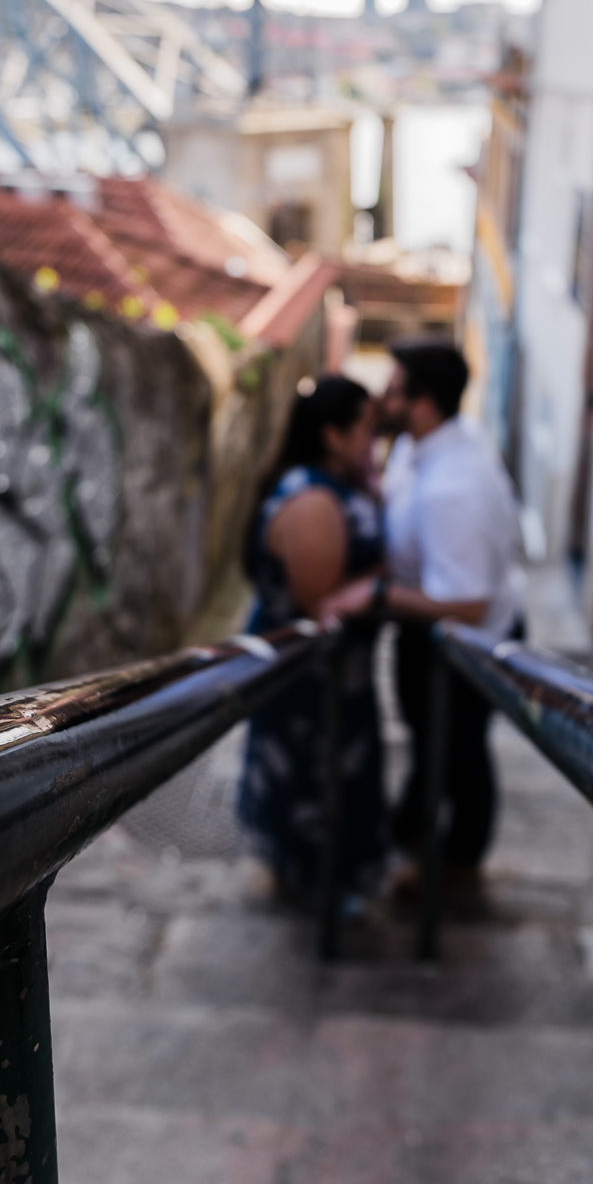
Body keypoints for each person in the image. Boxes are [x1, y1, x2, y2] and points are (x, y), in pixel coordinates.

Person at [322, 340, 523, 882]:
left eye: (392, 390)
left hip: (465, 637)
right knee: (425, 733)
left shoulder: (452, 490)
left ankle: (459, 863)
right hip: (426, 621)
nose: (381, 399)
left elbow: (468, 604)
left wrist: (378, 597)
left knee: (459, 748)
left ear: (424, 404)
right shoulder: (421, 444)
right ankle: (412, 824)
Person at [237, 375, 386, 906]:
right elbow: (321, 599)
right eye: (366, 429)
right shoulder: (313, 502)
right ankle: (312, 890)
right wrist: (392, 577)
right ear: (332, 435)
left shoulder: (333, 485)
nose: (375, 439)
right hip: (310, 684)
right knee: (312, 790)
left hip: (337, 682)